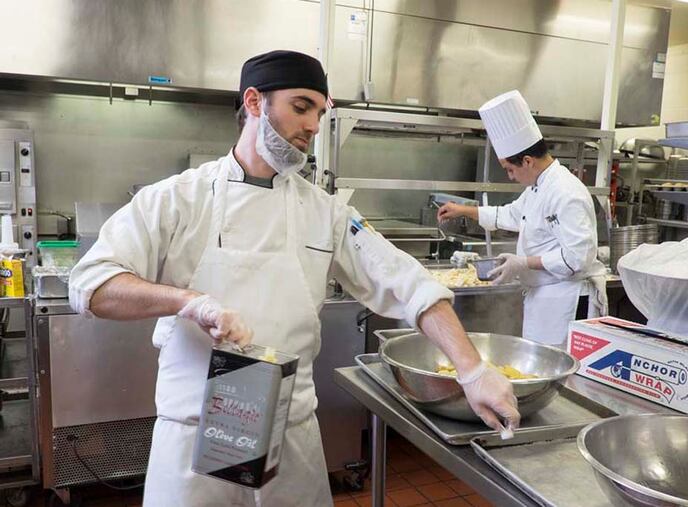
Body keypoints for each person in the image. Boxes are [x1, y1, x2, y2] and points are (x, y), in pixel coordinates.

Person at [68, 50, 520, 507]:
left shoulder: (325, 212)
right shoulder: (177, 199)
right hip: (194, 439)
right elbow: (92, 284)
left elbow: (410, 283)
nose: (312, 126)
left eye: (320, 113)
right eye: (301, 106)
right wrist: (188, 301)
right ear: (254, 102)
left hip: (291, 435)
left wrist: (473, 368)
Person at [438, 90, 607, 346]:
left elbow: (578, 258)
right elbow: (511, 215)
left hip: (567, 302)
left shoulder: (567, 192)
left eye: (510, 169)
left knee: (561, 372)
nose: (510, 177)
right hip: (543, 298)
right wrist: (464, 211)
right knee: (538, 362)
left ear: (527, 161)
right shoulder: (538, 187)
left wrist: (523, 262)